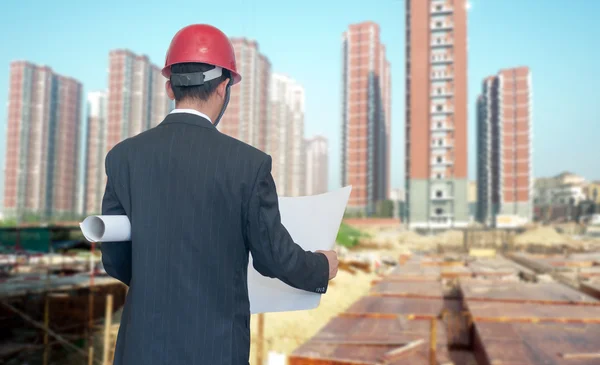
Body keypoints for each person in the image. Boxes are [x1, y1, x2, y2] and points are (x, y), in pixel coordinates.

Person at [99, 24, 339, 365]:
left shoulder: (122, 157)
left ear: (170, 87)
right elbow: (274, 257)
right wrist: (320, 266)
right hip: (214, 350)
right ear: (224, 87)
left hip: (141, 348)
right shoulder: (248, 164)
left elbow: (115, 260)